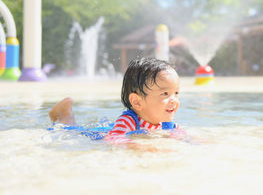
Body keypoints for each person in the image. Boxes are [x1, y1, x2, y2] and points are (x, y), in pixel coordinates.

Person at [48, 58, 182, 151]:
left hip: (111, 129)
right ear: (137, 102)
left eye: (176, 93)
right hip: (94, 135)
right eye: (165, 94)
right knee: (68, 130)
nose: (173, 100)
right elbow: (114, 138)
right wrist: (140, 147)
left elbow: (184, 136)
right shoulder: (128, 121)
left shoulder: (166, 123)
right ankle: (65, 114)